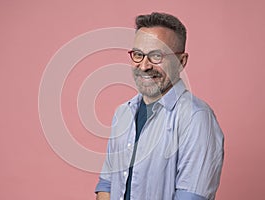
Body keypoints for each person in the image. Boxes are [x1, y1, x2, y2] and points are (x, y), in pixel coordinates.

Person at [95, 12, 224, 200]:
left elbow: (191, 197)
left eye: (156, 56)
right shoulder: (122, 113)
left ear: (181, 61)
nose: (144, 66)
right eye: (138, 54)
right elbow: (106, 185)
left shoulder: (197, 118)